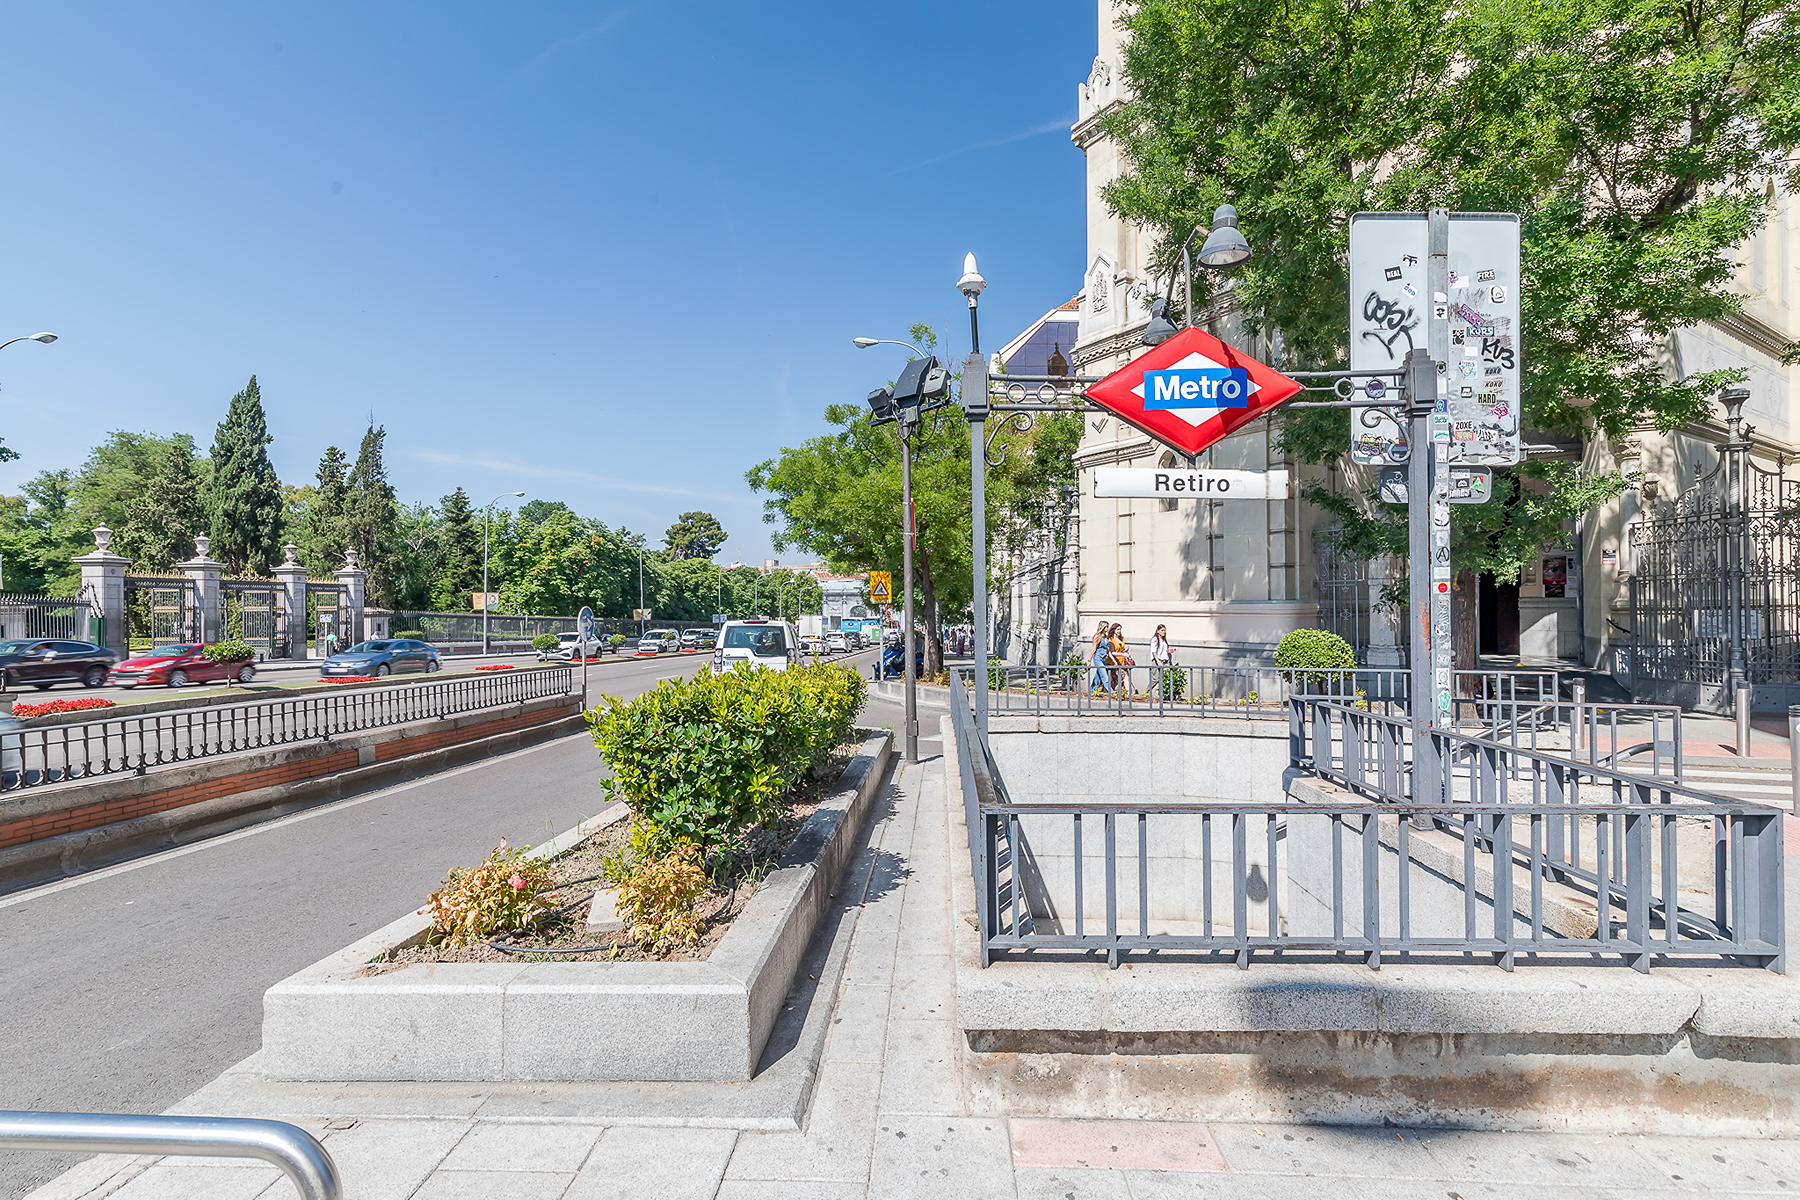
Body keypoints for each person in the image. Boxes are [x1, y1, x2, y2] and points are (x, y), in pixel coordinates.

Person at [1088, 622, 1113, 694]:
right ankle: (1111, 692)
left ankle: (1092, 690)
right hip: (1098, 658)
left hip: (1104, 659)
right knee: (1105, 676)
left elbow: (1108, 650)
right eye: (1107, 627)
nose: (1108, 628)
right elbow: (1094, 649)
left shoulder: (1106, 637)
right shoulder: (1097, 636)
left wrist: (1113, 660)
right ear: (1103, 628)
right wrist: (1089, 661)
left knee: (1098, 676)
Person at [1108, 622, 1131, 693]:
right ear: (1114, 630)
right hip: (1114, 662)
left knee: (1126, 677)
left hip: (1122, 662)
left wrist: (1125, 651)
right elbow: (1112, 652)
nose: (1119, 631)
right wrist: (1123, 655)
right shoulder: (1111, 640)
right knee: (1113, 680)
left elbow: (1120, 649)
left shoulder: (1121, 639)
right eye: (1118, 629)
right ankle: (1110, 693)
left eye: (1120, 629)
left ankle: (1128, 693)